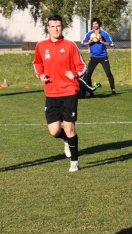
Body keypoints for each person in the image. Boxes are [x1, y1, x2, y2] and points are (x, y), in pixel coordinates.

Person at [33, 15, 87, 172]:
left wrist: (75, 75)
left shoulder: (70, 46)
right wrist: (40, 75)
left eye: (58, 26)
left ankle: (74, 162)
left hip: (69, 91)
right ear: (47, 28)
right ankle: (66, 140)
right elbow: (37, 63)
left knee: (70, 128)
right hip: (51, 94)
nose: (56, 29)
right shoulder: (41, 46)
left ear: (62, 27)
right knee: (54, 131)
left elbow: (82, 66)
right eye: (52, 26)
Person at [81, 17, 116, 95]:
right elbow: (82, 44)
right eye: (93, 24)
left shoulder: (104, 34)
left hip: (103, 57)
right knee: (88, 74)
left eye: (96, 23)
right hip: (94, 57)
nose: (94, 25)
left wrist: (102, 42)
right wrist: (89, 42)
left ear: (99, 24)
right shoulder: (90, 34)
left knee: (108, 73)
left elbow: (111, 44)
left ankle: (113, 90)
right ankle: (86, 91)